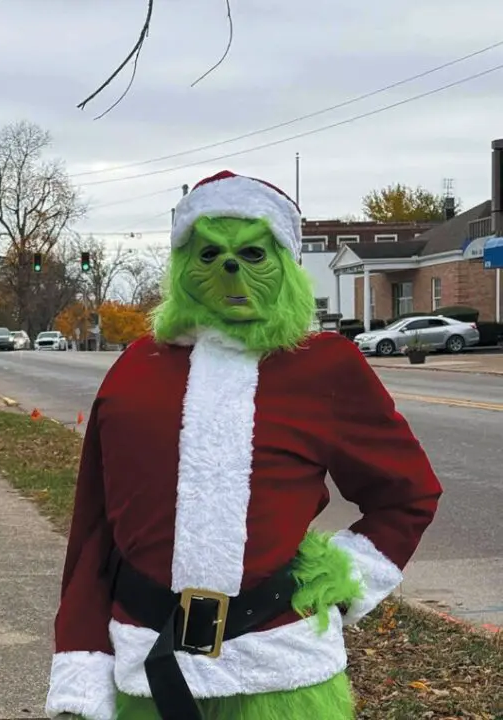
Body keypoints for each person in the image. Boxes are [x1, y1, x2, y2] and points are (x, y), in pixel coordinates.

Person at [45, 171, 443, 720]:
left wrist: (343, 580)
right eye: (209, 254)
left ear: (284, 263)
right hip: (148, 666)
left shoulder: (324, 366)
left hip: (282, 665)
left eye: (253, 254)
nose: (230, 268)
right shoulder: (137, 370)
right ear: (184, 266)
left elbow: (407, 494)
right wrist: (80, 661)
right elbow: (95, 533)